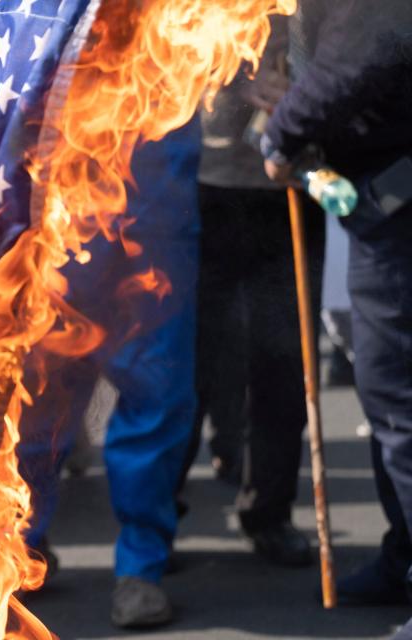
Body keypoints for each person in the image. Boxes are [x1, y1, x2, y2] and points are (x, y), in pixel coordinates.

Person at [19, 115, 201, 629]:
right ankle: (21, 548)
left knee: (156, 398)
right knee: (38, 401)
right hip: (59, 228)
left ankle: (141, 568)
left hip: (154, 233)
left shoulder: (180, 34)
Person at [260, 0, 412, 608]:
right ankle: (404, 556)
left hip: (398, 196)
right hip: (384, 189)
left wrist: (283, 131)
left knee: (400, 398)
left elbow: (361, 51)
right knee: (389, 399)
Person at [178, 15, 324, 567]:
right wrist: (238, 79)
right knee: (190, 362)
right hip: (207, 180)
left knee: (286, 360)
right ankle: (157, 518)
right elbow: (160, 47)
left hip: (295, 182)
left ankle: (270, 511)